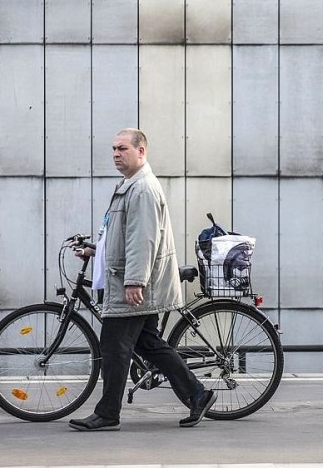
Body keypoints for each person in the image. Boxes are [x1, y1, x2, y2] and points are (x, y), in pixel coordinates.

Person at [68, 128, 216, 431]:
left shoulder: (143, 189)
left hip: (134, 285)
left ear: (141, 151)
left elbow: (143, 240)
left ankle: (108, 414)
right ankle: (197, 394)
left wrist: (134, 280)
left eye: (122, 148)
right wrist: (95, 250)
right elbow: (121, 236)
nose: (116, 154)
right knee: (148, 344)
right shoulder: (130, 185)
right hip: (132, 280)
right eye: (113, 149)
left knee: (113, 348)